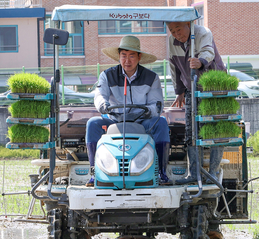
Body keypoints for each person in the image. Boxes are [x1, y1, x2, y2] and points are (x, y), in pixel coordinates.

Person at [85, 36, 170, 186]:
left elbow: (156, 105)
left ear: (139, 57)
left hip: (142, 122)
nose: (127, 60)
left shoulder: (152, 78)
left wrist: (144, 112)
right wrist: (103, 105)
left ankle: (161, 172)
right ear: (119, 56)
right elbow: (99, 95)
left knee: (161, 123)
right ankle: (94, 172)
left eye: (131, 56)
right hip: (114, 120)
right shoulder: (106, 75)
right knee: (93, 123)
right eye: (124, 55)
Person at [167, 21, 226, 184]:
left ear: (188, 24)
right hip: (191, 87)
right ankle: (194, 174)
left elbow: (208, 52)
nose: (176, 33)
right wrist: (179, 91)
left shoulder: (203, 32)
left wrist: (200, 62)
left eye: (178, 28)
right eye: (172, 30)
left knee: (215, 130)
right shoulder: (172, 42)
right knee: (191, 130)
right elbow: (174, 67)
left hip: (213, 85)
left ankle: (212, 173)